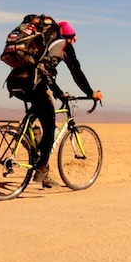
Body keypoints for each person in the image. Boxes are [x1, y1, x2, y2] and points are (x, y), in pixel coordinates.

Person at [30, 20, 103, 188]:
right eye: (74, 38)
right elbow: (76, 71)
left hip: (18, 82)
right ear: (68, 36)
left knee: (41, 116)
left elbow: (43, 71)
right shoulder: (63, 45)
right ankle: (40, 170)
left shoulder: (43, 45)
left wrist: (57, 92)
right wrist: (90, 93)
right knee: (50, 127)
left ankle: (37, 148)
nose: (75, 41)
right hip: (36, 84)